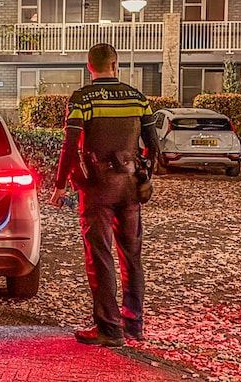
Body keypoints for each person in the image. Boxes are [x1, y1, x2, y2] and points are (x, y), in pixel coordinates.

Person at [49, 43, 161, 347]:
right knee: (132, 256)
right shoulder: (137, 98)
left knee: (100, 256)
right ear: (116, 64)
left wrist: (60, 184)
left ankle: (109, 328)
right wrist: (143, 176)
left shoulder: (83, 99)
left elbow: (69, 145)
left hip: (96, 187)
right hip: (131, 186)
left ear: (90, 67)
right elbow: (153, 145)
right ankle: (133, 324)